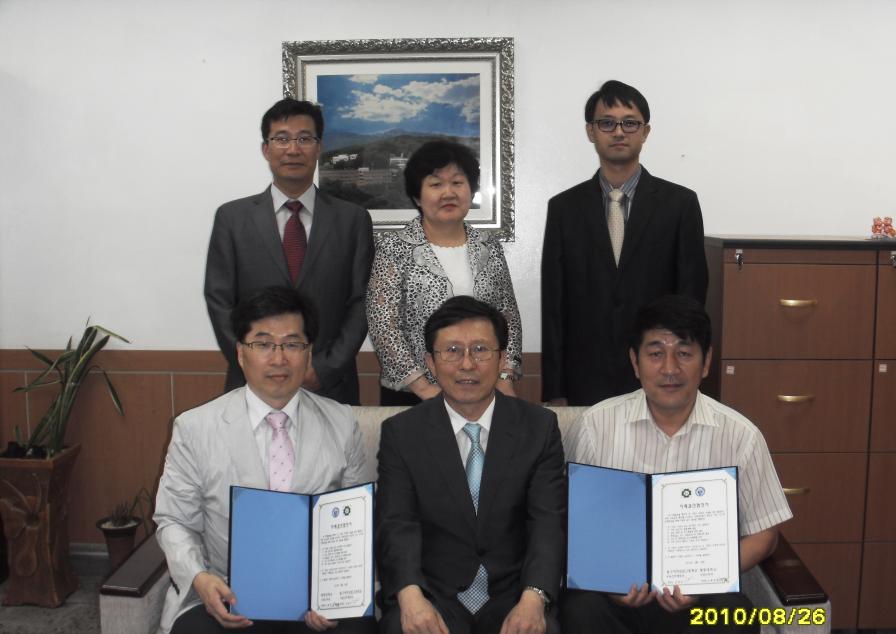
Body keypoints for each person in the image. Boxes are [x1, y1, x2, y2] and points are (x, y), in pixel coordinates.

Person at [560, 294, 792, 634]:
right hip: (614, 592)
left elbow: (765, 533)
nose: (670, 368)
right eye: (656, 354)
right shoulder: (597, 426)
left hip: (700, 593)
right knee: (581, 611)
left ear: (707, 362)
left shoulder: (741, 435)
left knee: (735, 617)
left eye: (684, 353)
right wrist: (608, 580)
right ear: (635, 362)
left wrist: (706, 580)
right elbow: (573, 521)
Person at [154, 286, 380, 634]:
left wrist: (337, 592)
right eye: (263, 344)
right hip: (230, 592)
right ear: (241, 354)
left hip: (317, 599)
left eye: (292, 344)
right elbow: (174, 521)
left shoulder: (341, 422)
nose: (278, 358)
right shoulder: (195, 428)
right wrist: (201, 579)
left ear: (309, 353)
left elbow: (360, 523)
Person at [375, 296, 565, 634]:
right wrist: (410, 596)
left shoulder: (539, 428)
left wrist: (534, 597)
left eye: (480, 350)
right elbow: (397, 523)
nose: (467, 364)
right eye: (451, 351)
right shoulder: (402, 433)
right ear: (430, 363)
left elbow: (548, 522)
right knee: (400, 628)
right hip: (435, 590)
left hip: (511, 590)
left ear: (502, 358)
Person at [541, 80, 708, 407]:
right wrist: (554, 390)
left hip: (661, 374)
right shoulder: (564, 208)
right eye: (607, 123)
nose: (619, 132)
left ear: (645, 132)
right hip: (584, 379)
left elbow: (691, 300)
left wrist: (685, 371)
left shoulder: (680, 204)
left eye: (630, 123)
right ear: (591, 131)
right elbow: (554, 307)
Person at [205, 98, 373, 405]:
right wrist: (257, 365)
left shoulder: (353, 219)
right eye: (281, 139)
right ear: (265, 149)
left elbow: (361, 301)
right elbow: (219, 301)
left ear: (319, 148)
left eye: (304, 139)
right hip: (252, 385)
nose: (293, 149)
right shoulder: (232, 218)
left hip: (330, 386)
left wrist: (325, 367)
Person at [366, 140, 522, 406]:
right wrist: (424, 389)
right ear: (417, 196)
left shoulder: (489, 246)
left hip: (483, 389)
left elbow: (509, 317)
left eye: (457, 182)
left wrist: (505, 377)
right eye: (436, 184)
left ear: (471, 190)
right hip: (414, 397)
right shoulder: (394, 248)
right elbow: (384, 324)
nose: (448, 193)